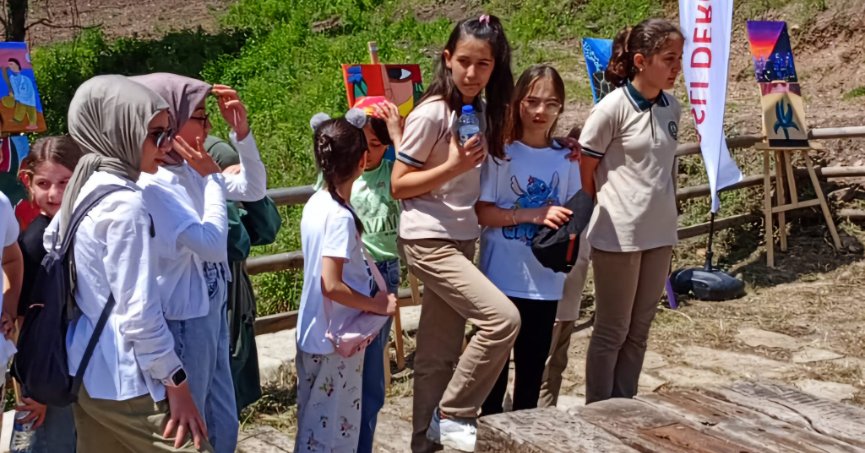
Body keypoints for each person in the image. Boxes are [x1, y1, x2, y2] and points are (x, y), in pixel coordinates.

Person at [47, 74, 209, 452]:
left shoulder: (84, 187)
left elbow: (50, 242)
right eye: (155, 135)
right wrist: (177, 384)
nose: (166, 146)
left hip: (85, 370)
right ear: (118, 132)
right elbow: (139, 314)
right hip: (127, 380)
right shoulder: (125, 204)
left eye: (168, 133)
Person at [390, 14, 519, 453]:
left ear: (494, 68)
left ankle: (425, 446)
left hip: (462, 239)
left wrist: (566, 144)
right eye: (463, 61)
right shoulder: (431, 113)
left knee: (437, 355)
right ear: (448, 59)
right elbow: (398, 184)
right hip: (428, 239)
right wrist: (455, 166)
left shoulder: (482, 110)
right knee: (502, 321)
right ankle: (454, 415)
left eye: (482, 65)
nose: (471, 72)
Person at [131, 72, 266, 453]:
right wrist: (211, 182)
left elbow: (254, 189)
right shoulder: (152, 184)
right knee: (197, 420)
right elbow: (211, 245)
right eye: (199, 116)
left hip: (211, 304)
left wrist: (242, 134)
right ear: (169, 120)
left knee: (224, 411)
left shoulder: (190, 168)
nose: (208, 126)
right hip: (185, 317)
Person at [578, 19, 684, 404]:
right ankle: (599, 412)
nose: (677, 68)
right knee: (612, 330)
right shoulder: (611, 108)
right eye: (669, 59)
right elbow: (585, 167)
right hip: (618, 234)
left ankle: (626, 408)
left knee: (640, 329)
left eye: (680, 59)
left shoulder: (673, 107)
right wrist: (603, 206)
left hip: (660, 233)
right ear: (641, 60)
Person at [476, 65, 581, 415]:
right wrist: (530, 215)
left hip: (544, 282)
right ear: (517, 102)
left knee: (531, 376)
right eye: (532, 101)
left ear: (561, 108)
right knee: (492, 376)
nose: (540, 112)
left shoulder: (567, 158)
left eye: (551, 104)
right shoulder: (500, 153)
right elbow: (483, 213)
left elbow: (574, 215)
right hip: (500, 279)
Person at [295, 115, 397, 452]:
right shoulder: (339, 216)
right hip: (335, 338)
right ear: (362, 160)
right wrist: (377, 305)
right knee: (336, 432)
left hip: (312, 332)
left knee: (312, 426)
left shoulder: (316, 203)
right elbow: (332, 284)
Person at [13, 135, 86, 452]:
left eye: (64, 183)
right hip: (46, 378)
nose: (54, 194)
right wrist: (35, 391)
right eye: (44, 183)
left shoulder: (75, 231)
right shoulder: (35, 242)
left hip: (71, 372)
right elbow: (25, 324)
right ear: (28, 183)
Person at [204, 135, 281, 415]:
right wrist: (217, 190)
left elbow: (267, 228)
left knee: (231, 399)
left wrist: (248, 191)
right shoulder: (197, 194)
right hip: (212, 302)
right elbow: (236, 243)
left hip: (237, 300)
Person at [348, 97, 403, 453]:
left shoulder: (392, 170)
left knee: (371, 371)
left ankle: (363, 443)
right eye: (362, 144)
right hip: (349, 275)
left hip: (384, 273)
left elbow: (409, 158)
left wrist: (397, 135)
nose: (368, 153)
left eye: (377, 146)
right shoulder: (340, 175)